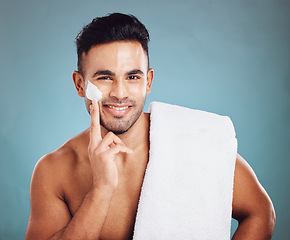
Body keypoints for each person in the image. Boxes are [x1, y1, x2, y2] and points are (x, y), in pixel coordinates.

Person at [25, 13, 275, 240]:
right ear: (80, 84)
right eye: (104, 77)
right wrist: (100, 190)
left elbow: (261, 212)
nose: (120, 93)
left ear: (148, 81)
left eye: (133, 77)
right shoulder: (54, 171)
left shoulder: (195, 140)